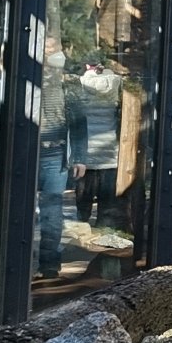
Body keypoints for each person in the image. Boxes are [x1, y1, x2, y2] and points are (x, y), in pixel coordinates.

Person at [72, 58, 124, 234]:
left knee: (83, 200)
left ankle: (82, 230)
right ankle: (104, 233)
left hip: (86, 155)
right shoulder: (116, 83)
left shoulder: (80, 84)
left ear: (87, 66)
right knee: (107, 202)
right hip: (110, 154)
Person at [36, 37, 71, 280]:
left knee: (52, 210)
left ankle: (49, 264)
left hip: (56, 153)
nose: (52, 54)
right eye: (48, 49)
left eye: (55, 49)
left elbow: (78, 121)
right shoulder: (29, 79)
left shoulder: (67, 82)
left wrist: (79, 156)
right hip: (28, 150)